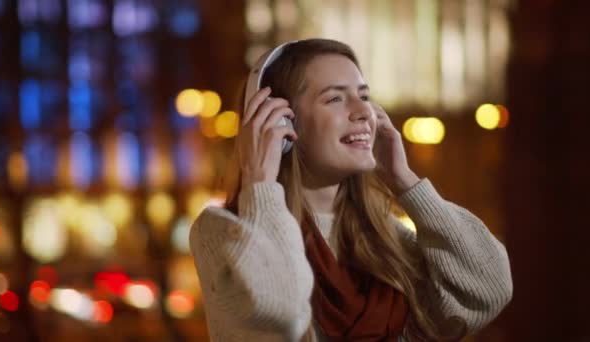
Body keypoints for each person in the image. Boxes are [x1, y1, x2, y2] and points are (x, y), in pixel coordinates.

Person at [189, 38, 512, 341]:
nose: (364, 113)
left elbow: (489, 290)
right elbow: (280, 311)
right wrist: (260, 184)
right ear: (282, 124)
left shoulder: (383, 236)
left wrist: (405, 180)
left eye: (364, 96)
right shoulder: (223, 231)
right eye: (335, 98)